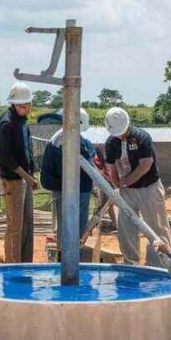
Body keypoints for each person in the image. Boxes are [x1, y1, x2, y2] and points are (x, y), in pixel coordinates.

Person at [102, 107, 170, 266]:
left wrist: (125, 181)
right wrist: (116, 184)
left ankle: (159, 264)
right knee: (126, 227)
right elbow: (111, 167)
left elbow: (145, 165)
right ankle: (130, 262)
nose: (120, 135)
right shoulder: (111, 143)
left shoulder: (142, 137)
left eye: (122, 131)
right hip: (127, 191)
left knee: (156, 227)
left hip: (149, 188)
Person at [40, 108, 96, 252]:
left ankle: (70, 255)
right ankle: (68, 257)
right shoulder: (63, 141)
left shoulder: (62, 138)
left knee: (67, 225)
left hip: (69, 188)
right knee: (71, 226)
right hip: (68, 189)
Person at [0, 82, 37, 263]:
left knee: (28, 224)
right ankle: (13, 264)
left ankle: (26, 262)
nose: (25, 108)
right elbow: (7, 159)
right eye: (22, 106)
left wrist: (30, 173)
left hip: (25, 179)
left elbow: (27, 150)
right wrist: (27, 177)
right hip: (14, 180)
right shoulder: (7, 124)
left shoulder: (22, 122)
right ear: (13, 104)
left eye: (27, 105)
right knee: (15, 227)